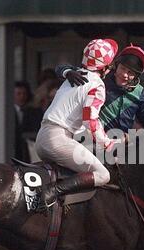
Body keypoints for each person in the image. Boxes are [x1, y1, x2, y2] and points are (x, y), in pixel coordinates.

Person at [35, 39, 121, 205]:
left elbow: (61, 68)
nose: (110, 69)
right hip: (58, 140)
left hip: (43, 138)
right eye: (109, 66)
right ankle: (51, 192)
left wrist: (66, 71)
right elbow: (91, 121)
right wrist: (109, 145)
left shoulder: (74, 75)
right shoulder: (97, 85)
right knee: (103, 175)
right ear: (104, 68)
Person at [55, 43, 144, 133]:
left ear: (137, 76)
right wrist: (68, 72)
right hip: (94, 140)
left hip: (123, 145)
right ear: (116, 65)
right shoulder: (100, 79)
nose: (125, 75)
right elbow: (60, 68)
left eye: (130, 73)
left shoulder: (139, 93)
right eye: (123, 68)